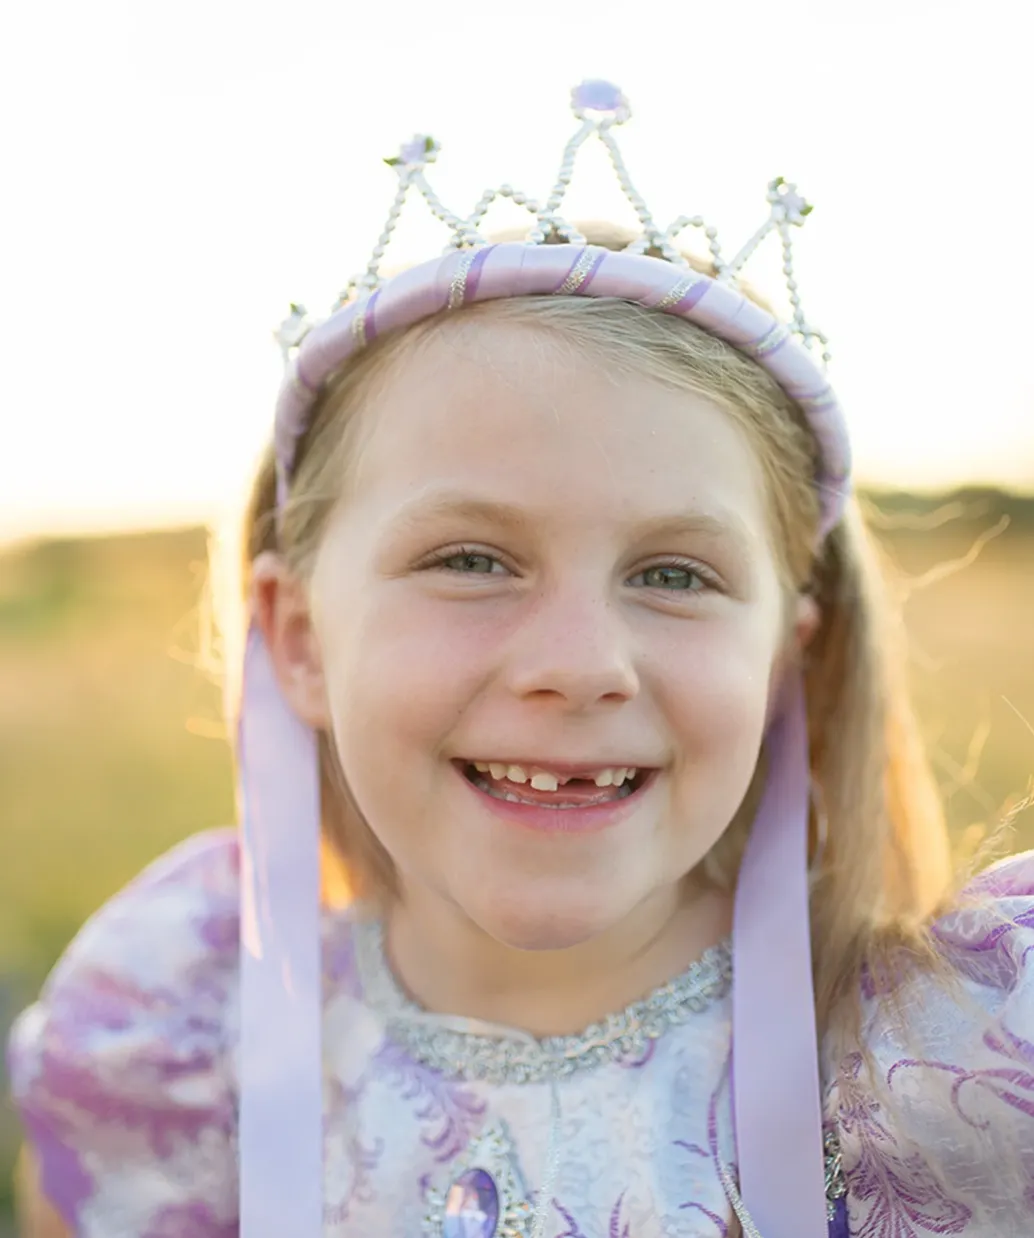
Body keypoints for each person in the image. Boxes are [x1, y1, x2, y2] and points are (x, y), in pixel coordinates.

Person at [8, 81, 1034, 1238]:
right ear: (296, 636)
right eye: (470, 558)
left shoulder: (965, 1064)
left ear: (785, 660)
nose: (579, 663)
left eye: (674, 573)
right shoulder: (181, 1037)